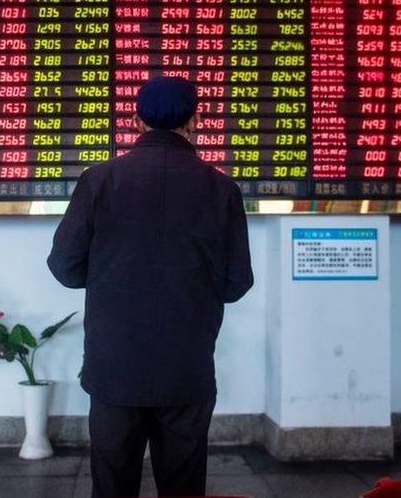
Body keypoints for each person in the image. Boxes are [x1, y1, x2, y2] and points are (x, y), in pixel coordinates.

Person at [47, 76, 254, 497]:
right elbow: (237, 283)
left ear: (136, 120)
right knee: (183, 487)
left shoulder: (99, 181)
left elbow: (65, 267)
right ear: (196, 120)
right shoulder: (222, 190)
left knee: (112, 485)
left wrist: (111, 277)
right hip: (187, 368)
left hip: (114, 366)